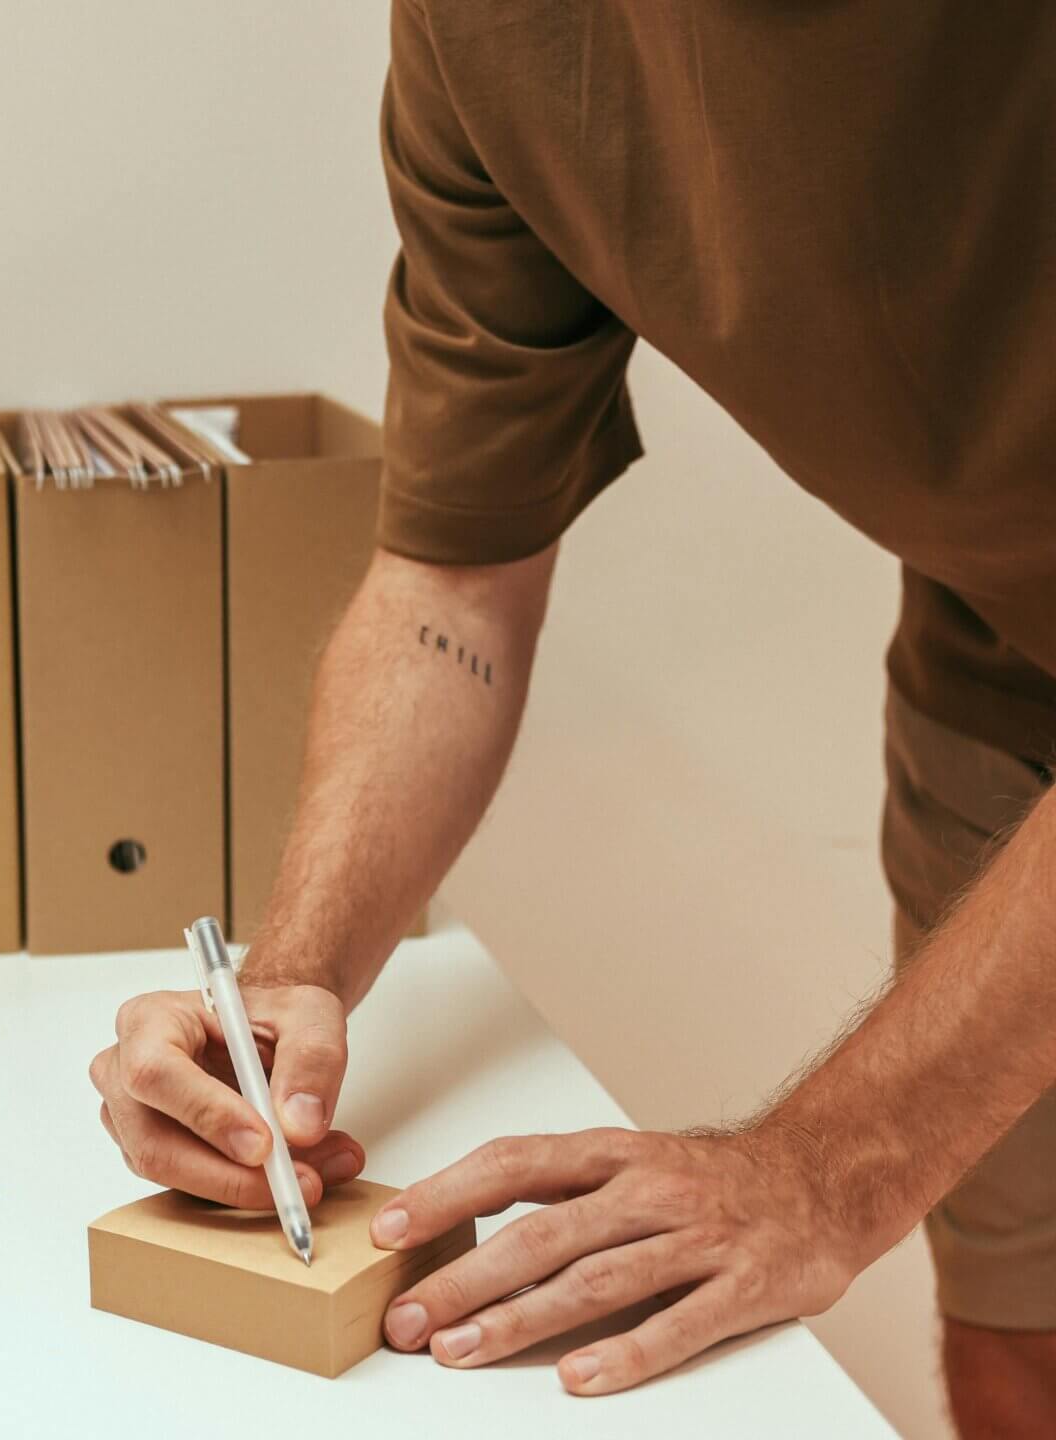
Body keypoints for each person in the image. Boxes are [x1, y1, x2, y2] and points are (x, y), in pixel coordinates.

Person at [88, 3, 1055, 1429]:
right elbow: (451, 583)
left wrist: (825, 1169)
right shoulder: (498, 34)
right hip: (1004, 678)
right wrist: (294, 974)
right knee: (1023, 1318)